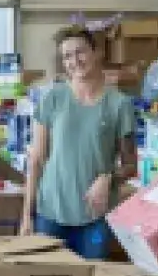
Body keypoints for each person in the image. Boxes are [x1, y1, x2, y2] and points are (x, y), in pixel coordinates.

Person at [17, 27, 136, 260]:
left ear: (97, 52)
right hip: (50, 213)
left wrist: (108, 178)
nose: (74, 61)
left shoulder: (119, 105)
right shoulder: (53, 99)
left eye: (80, 52)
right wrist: (26, 216)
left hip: (94, 218)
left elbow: (131, 164)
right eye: (67, 56)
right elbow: (37, 160)